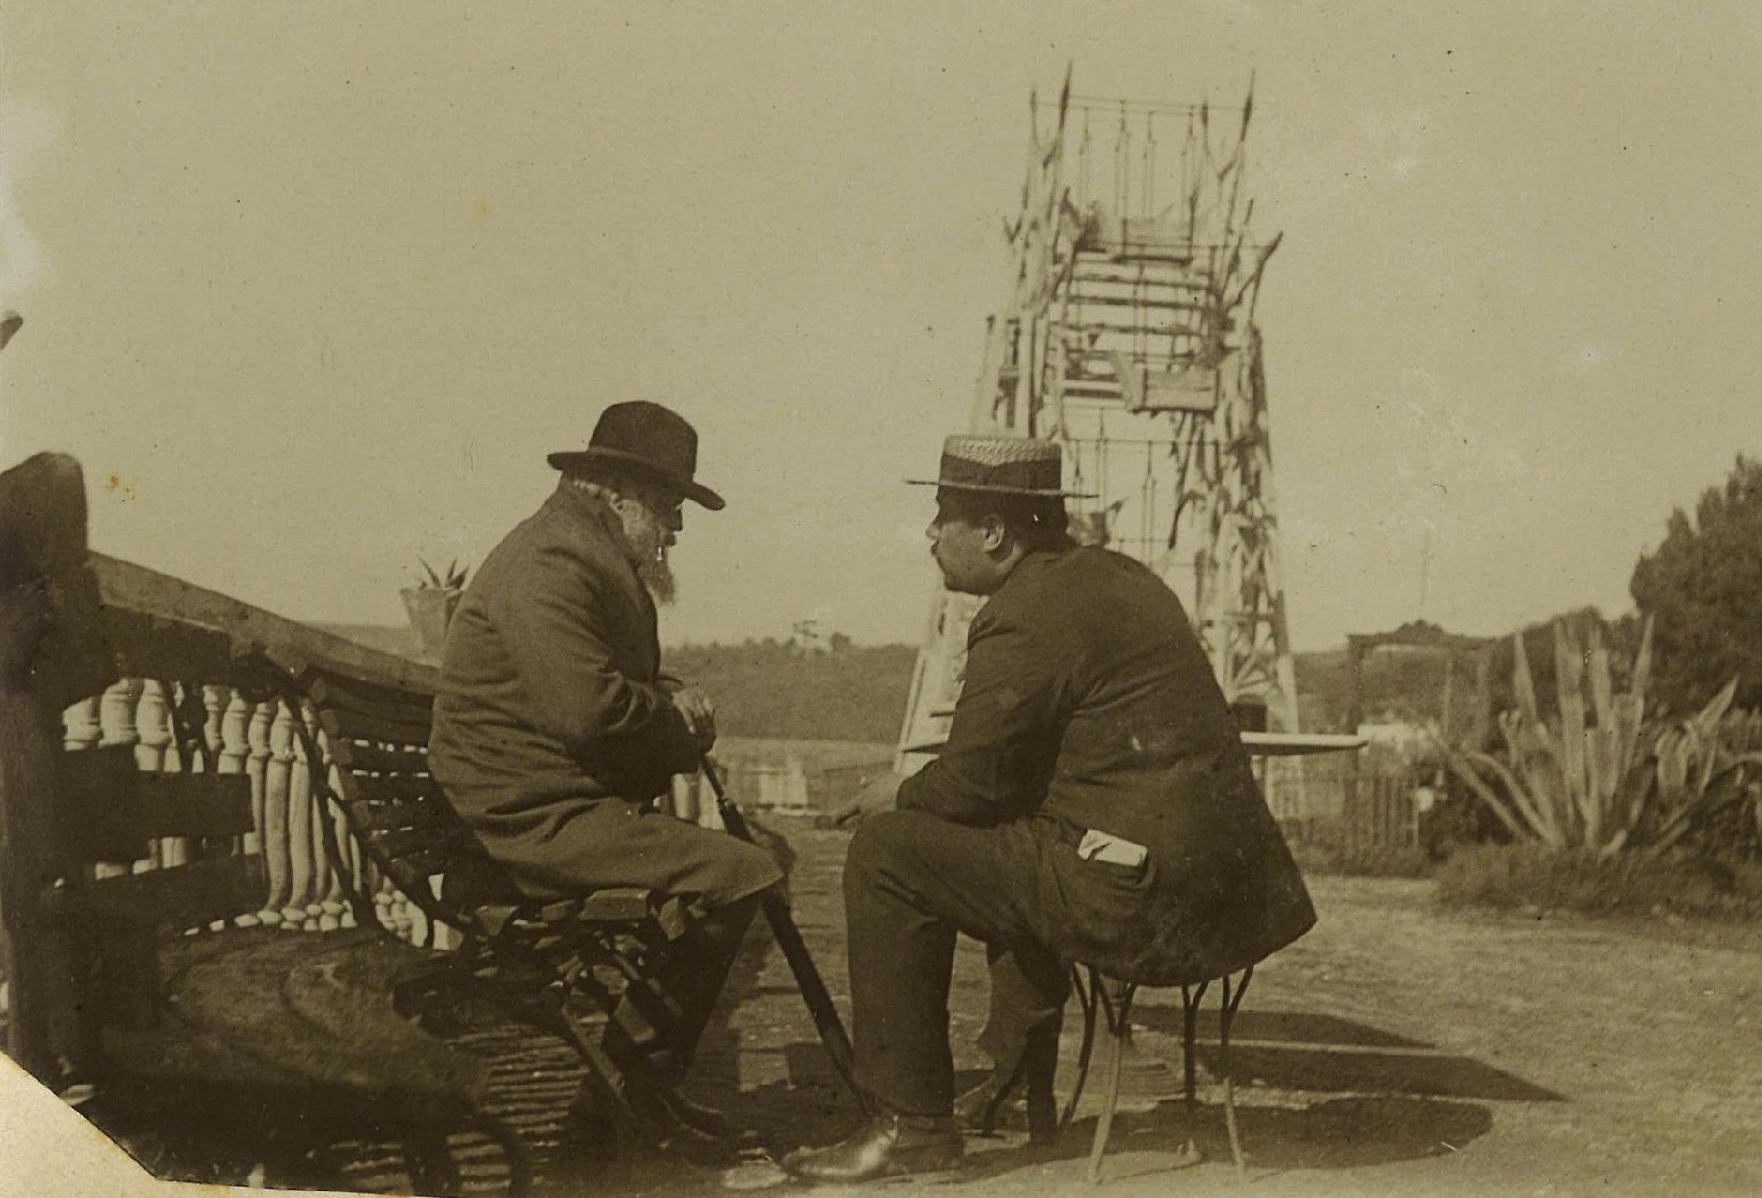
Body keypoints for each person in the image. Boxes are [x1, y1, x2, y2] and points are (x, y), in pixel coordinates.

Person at [781, 434, 1317, 1183]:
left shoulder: (1023, 612)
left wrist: (897, 791)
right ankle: (1003, 1072)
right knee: (1009, 842)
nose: (931, 534)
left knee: (887, 853)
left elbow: (970, 785)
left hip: (1146, 900)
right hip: (1230, 893)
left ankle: (913, 1128)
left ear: (995, 531)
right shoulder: (1116, 577)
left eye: (945, 516)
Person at [427, 400, 783, 1140]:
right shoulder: (554, 559)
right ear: (618, 491)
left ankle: (636, 1085)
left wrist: (666, 703)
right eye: (669, 504)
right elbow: (587, 711)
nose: (676, 527)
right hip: (527, 825)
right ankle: (628, 1094)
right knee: (743, 872)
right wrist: (678, 721)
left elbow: (593, 693)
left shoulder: (575, 549)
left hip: (546, 805)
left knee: (748, 864)